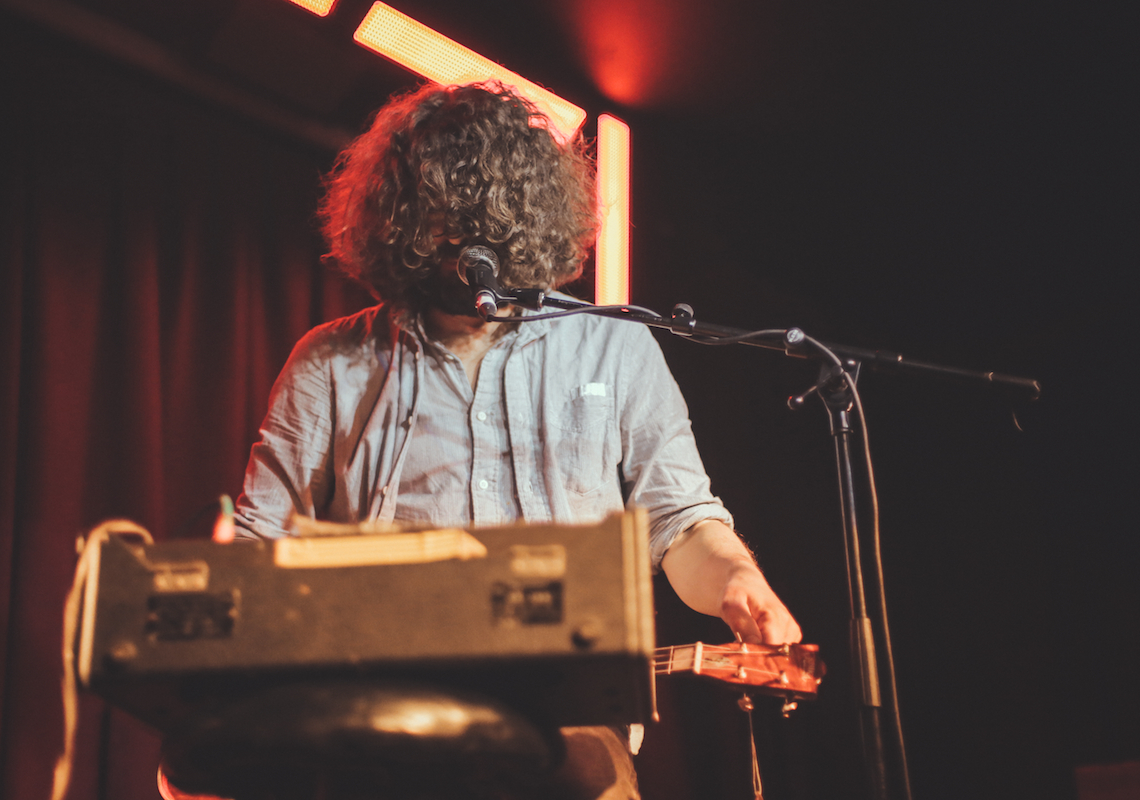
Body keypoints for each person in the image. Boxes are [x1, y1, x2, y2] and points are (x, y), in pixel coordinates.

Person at [232, 82, 800, 800]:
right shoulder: (330, 363)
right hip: (377, 740)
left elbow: (681, 521)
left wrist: (738, 584)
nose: (466, 250)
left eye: (485, 228)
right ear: (402, 224)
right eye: (443, 226)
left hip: (565, 740)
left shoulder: (613, 348)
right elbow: (255, 553)